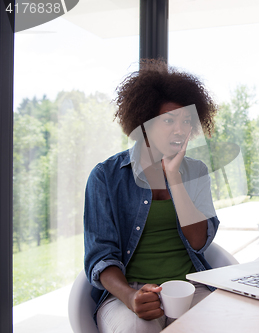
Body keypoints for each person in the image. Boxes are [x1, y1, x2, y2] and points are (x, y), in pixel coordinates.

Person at [83, 59, 220, 332]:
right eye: (169, 120)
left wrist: (174, 176)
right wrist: (131, 297)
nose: (180, 129)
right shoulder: (105, 177)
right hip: (131, 293)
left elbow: (198, 241)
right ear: (144, 122)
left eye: (186, 121)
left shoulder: (196, 171)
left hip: (190, 286)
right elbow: (101, 256)